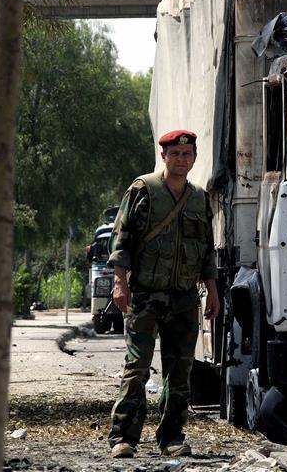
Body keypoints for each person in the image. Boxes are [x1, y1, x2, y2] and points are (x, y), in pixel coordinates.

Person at [107, 129, 220, 459]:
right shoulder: (144, 190)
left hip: (184, 298)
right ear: (164, 157)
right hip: (146, 295)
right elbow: (122, 238)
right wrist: (120, 282)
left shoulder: (200, 198)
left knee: (179, 373)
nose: (181, 160)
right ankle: (123, 438)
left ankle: (171, 437)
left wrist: (212, 292)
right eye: (175, 154)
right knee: (137, 369)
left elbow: (207, 251)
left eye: (187, 155)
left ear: (194, 158)